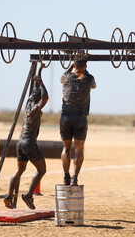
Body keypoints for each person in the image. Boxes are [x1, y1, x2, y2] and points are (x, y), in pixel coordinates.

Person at [4, 64, 48, 210]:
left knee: (19, 171)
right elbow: (45, 97)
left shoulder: (28, 106)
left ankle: (9, 196)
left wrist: (40, 71)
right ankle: (28, 195)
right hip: (29, 144)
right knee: (42, 170)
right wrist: (42, 83)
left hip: (20, 143)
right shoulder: (35, 108)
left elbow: (37, 91)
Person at [60, 53, 96, 186]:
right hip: (80, 117)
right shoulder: (89, 78)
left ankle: (65, 176)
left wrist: (71, 65)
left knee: (66, 148)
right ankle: (75, 177)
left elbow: (62, 77)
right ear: (85, 66)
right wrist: (83, 68)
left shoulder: (66, 77)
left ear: (74, 65)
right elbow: (94, 85)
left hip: (66, 116)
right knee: (79, 149)